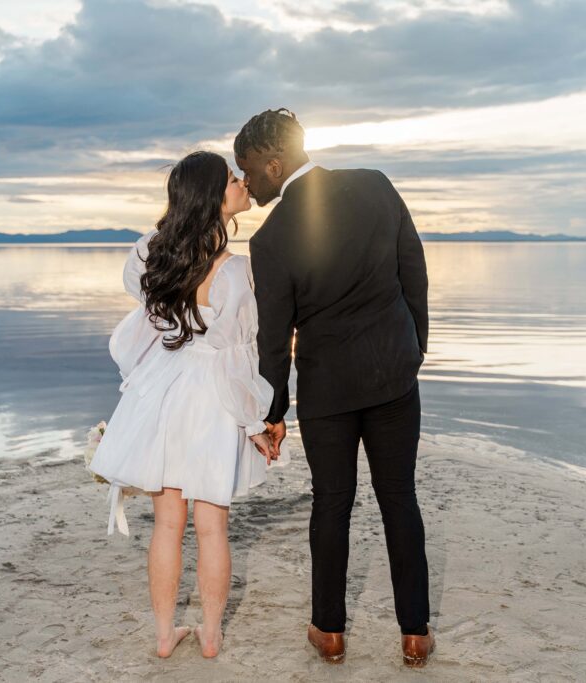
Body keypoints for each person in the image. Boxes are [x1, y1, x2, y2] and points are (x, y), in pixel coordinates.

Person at [235, 109, 435, 667]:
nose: (246, 184)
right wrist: (413, 348)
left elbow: (274, 340)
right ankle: (414, 633)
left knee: (332, 504)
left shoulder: (271, 239)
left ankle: (329, 632)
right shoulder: (374, 185)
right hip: (394, 374)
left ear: (275, 164)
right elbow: (413, 270)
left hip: (327, 390)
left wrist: (271, 412)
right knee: (400, 498)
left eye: (249, 170)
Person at [89, 150, 279, 659]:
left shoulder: (154, 252)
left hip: (162, 388)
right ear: (216, 196)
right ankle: (211, 637)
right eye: (233, 180)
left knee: (167, 525)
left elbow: (139, 295)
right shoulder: (235, 272)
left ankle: (163, 637)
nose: (242, 184)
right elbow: (240, 359)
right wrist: (255, 422)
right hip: (210, 396)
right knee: (212, 525)